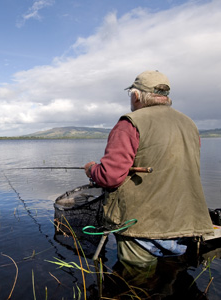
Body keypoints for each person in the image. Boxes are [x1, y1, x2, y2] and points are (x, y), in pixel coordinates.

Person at [84, 70, 213, 268]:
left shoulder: (130, 123)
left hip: (141, 225)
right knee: (171, 277)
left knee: (137, 283)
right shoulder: (190, 124)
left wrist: (92, 169)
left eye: (131, 95)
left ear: (136, 95)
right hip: (185, 220)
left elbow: (110, 177)